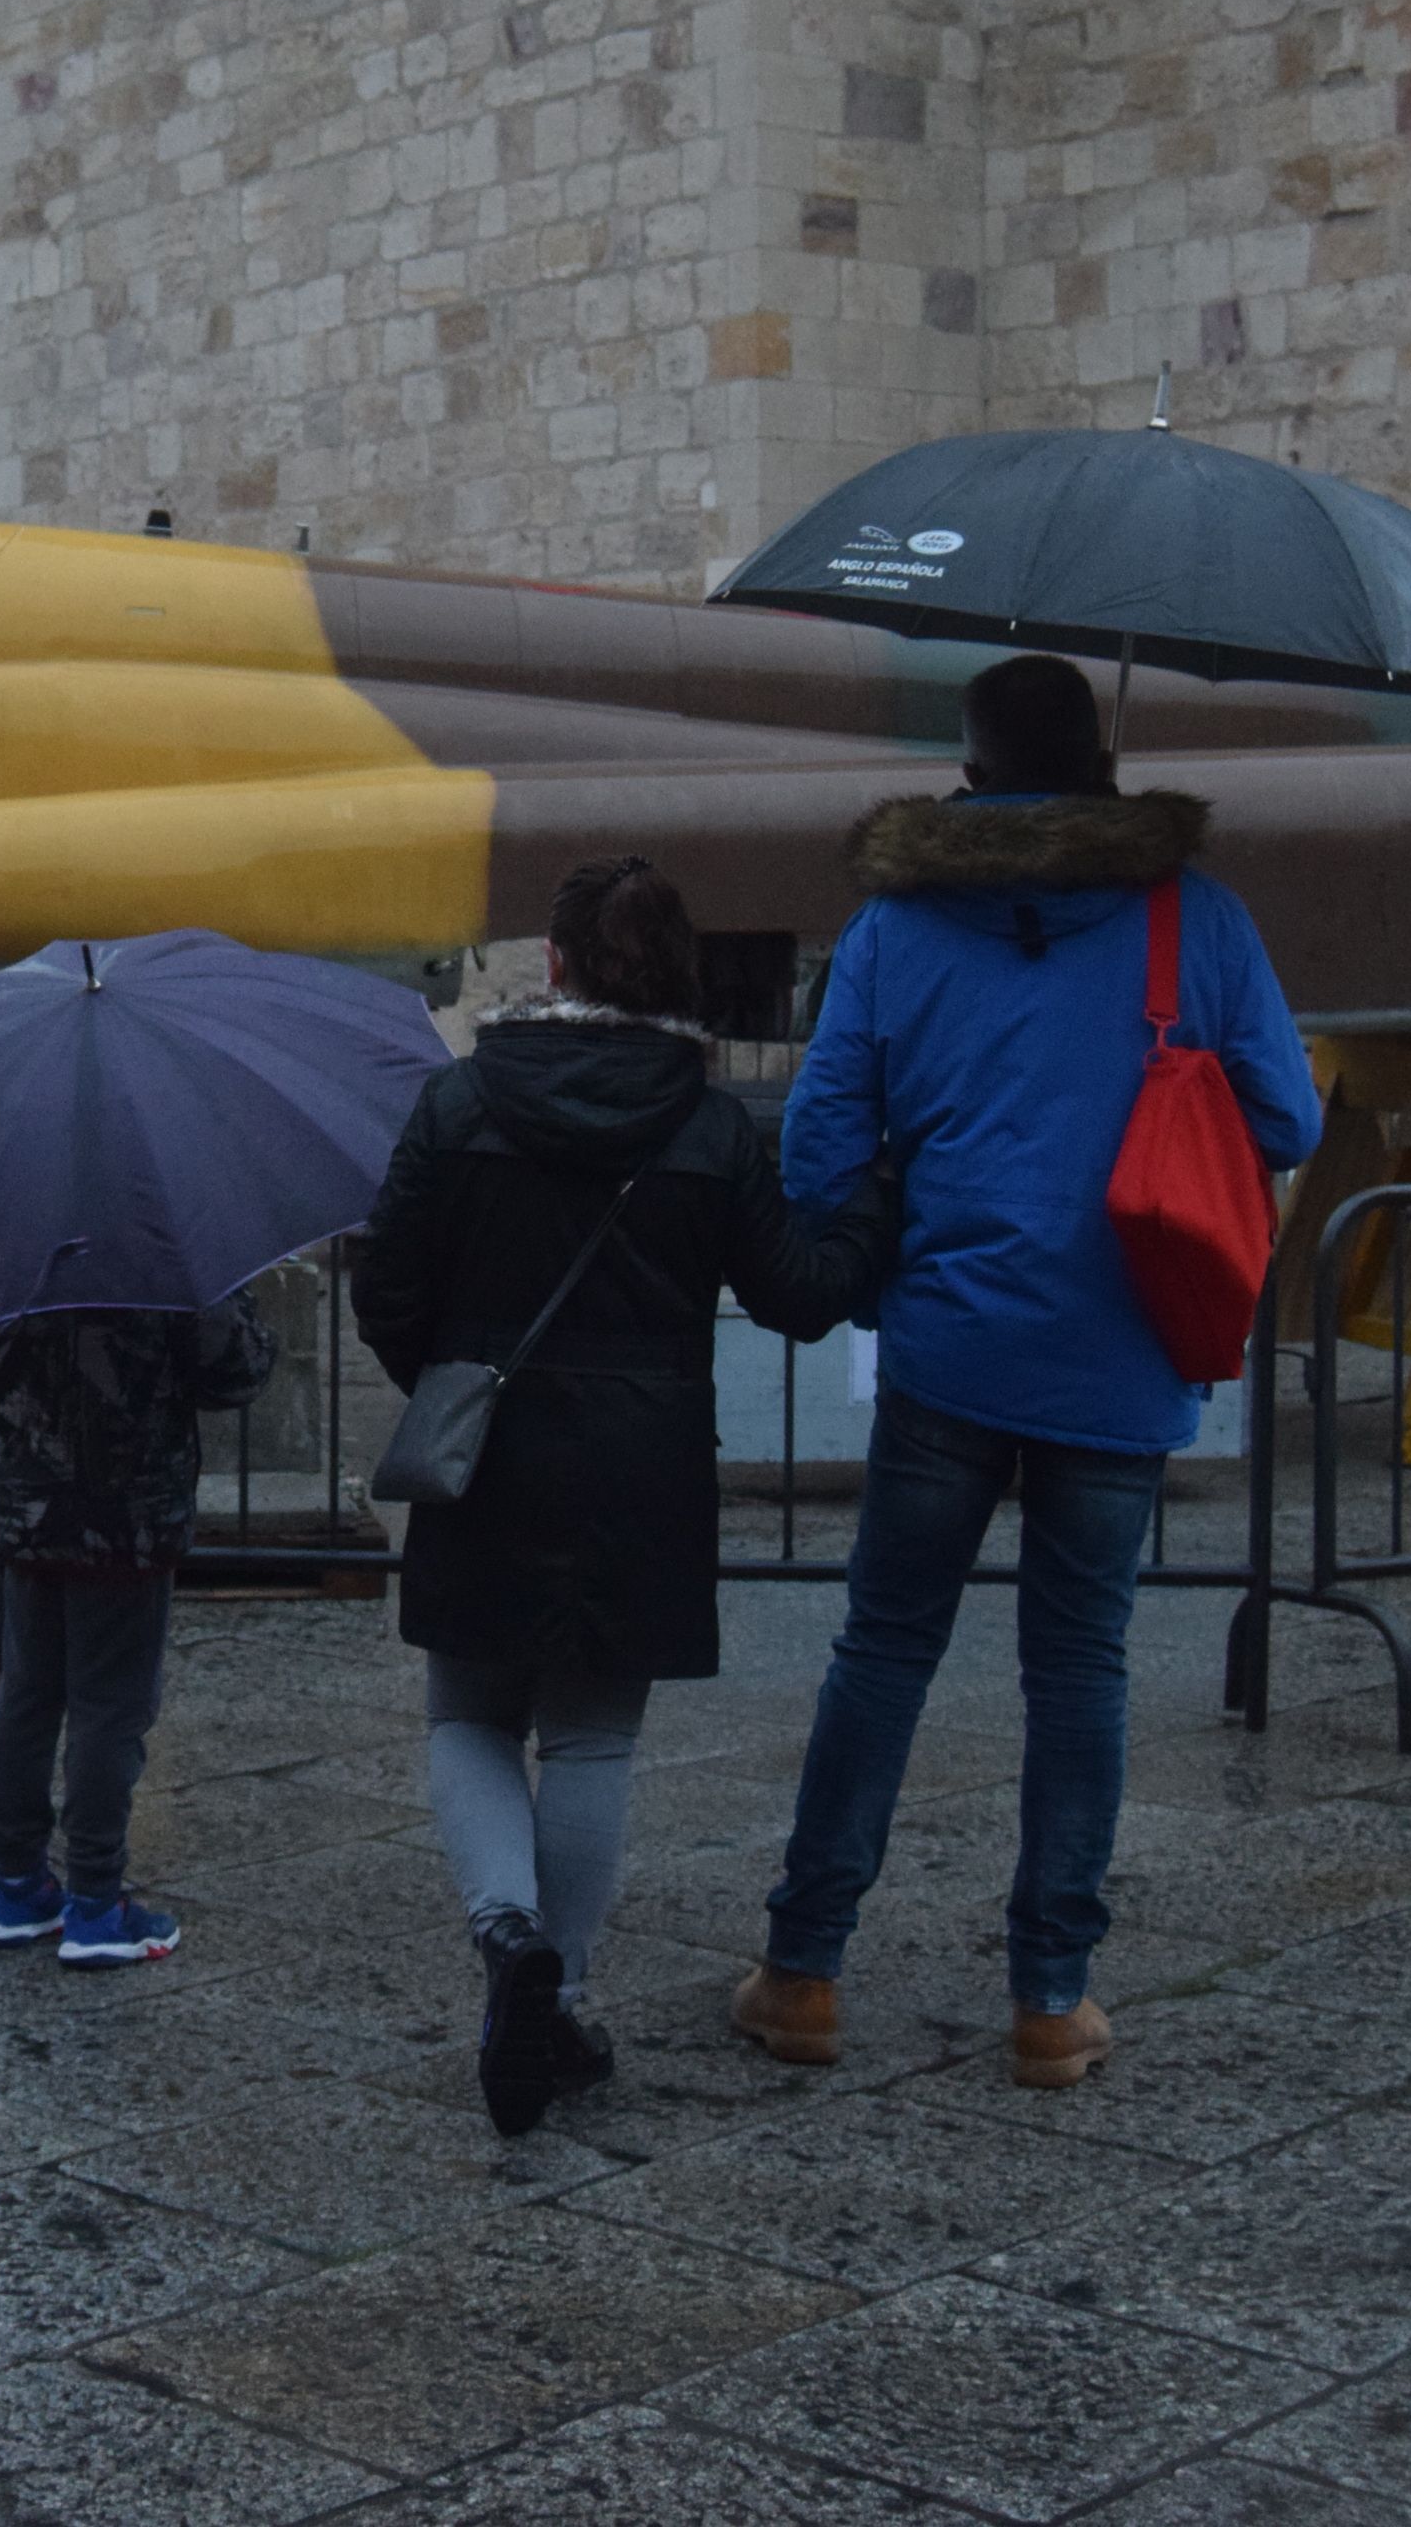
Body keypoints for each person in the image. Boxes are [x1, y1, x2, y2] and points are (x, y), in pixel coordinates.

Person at [738, 654, 1321, 2087]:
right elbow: (1290, 1121)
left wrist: (917, 1203)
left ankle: (802, 1976)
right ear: (1104, 764)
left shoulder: (894, 925)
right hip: (1122, 1354)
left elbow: (816, 1148)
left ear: (975, 765)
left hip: (949, 1340)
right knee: (1082, 1670)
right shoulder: (1199, 917)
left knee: (883, 1649)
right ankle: (1051, 2002)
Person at [355, 857, 892, 2134]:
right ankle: (565, 1992)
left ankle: (505, 1937)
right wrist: (874, 1198)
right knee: (591, 1736)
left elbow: (386, 1292)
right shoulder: (707, 1127)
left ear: (552, 966)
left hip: (491, 1457)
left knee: (466, 1716)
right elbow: (800, 1295)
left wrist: (458, 1379)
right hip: (642, 1466)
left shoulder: (459, 1102)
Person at [0, 1289, 278, 1965]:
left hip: (27, 1505)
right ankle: (96, 1903)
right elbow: (236, 1371)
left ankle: (13, 1884)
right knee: (111, 1703)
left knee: (28, 1689)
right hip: (127, 1510)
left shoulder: (5, 1239)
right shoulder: (158, 1249)